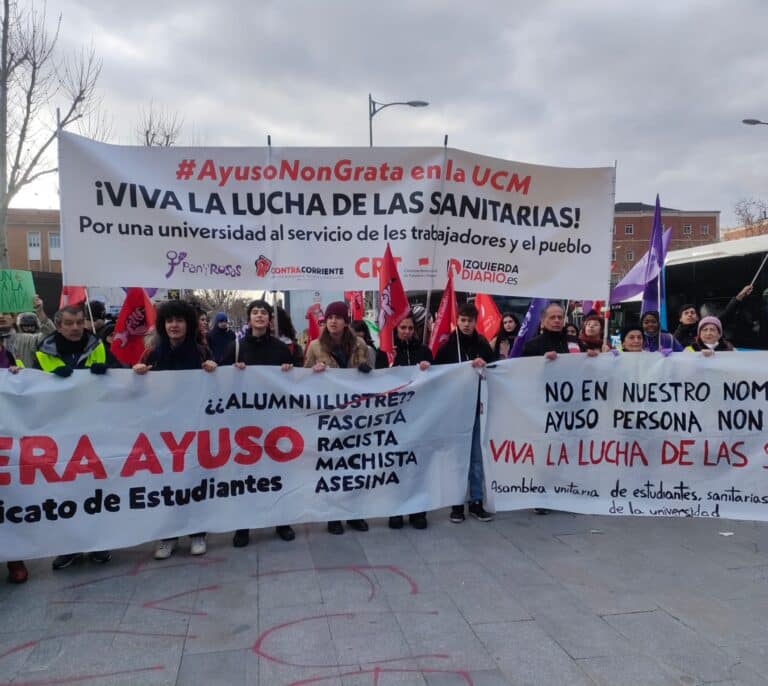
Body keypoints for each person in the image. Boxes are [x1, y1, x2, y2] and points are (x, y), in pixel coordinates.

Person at [133, 300, 217, 559]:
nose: (174, 325)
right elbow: (137, 388)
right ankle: (168, 535)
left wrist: (213, 371)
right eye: (169, 321)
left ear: (188, 324)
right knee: (166, 482)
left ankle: (197, 532)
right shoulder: (152, 354)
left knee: (194, 477)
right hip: (162, 430)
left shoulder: (202, 352)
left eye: (179, 320)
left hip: (193, 428)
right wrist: (136, 373)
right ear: (163, 324)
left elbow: (215, 390)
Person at [34, 306, 112, 570]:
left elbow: (121, 376)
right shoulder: (42, 352)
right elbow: (29, 388)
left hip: (93, 427)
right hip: (60, 431)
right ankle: (69, 547)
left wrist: (110, 371)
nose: (76, 327)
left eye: (79, 322)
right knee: (64, 490)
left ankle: (99, 543)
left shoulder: (97, 346)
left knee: (96, 489)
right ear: (59, 325)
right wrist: (48, 380)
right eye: (69, 323)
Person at [222, 299, 297, 547]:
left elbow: (294, 383)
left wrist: (288, 370)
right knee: (246, 475)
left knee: (277, 473)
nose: (259, 316)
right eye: (255, 312)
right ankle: (243, 526)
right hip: (245, 425)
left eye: (263, 313)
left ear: (269, 319)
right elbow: (218, 380)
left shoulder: (280, 349)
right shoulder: (235, 347)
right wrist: (232, 370)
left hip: (274, 423)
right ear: (249, 319)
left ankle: (282, 521)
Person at [305, 301, 371, 535]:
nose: (333, 321)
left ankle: (354, 513)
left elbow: (371, 372)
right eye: (329, 317)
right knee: (333, 466)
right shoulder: (315, 346)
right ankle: (334, 515)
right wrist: (314, 372)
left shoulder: (359, 344)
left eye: (338, 317)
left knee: (354, 464)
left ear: (345, 321)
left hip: (354, 415)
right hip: (330, 416)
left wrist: (365, 368)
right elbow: (304, 378)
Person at [434, 303, 495, 523]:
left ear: (475, 322)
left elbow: (495, 368)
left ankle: (476, 501)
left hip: (477, 408)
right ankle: (456, 502)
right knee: (457, 456)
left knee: (476, 457)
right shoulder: (447, 346)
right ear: (457, 321)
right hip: (454, 409)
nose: (467, 325)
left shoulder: (482, 344)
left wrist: (484, 365)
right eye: (463, 320)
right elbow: (437, 375)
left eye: (470, 321)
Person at [389, 311, 433, 530]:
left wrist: (428, 368)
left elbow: (437, 379)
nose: (406, 331)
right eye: (402, 328)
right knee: (397, 464)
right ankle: (397, 510)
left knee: (417, 463)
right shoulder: (386, 353)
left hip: (419, 415)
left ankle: (417, 510)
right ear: (396, 330)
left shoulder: (424, 351)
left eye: (409, 328)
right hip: (394, 418)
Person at [0, 329, 27, 583]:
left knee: (7, 496)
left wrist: (19, 377)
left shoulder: (8, 356)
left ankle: (13, 558)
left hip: (5, 434)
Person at [0, 295, 53, 368]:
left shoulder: (27, 340)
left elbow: (51, 336)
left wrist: (40, 311)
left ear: (14, 318)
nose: (1, 316)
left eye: (5, 313)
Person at [522, 303, 589, 359]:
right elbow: (528, 370)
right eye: (552, 317)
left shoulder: (575, 340)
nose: (557, 320)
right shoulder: (532, 345)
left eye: (560, 317)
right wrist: (542, 361)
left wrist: (591, 356)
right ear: (543, 321)